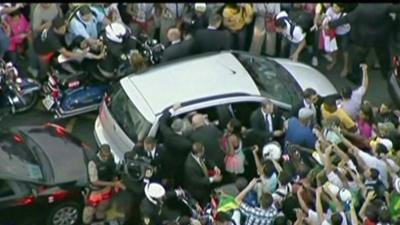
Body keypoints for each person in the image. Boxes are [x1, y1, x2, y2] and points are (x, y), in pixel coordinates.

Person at [326, 3, 400, 83]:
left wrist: (331, 24)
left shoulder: (361, 8)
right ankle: (387, 74)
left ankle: (356, 77)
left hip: (365, 38)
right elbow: (397, 8)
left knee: (359, 57)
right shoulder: (385, 6)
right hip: (380, 37)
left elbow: (347, 18)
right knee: (383, 55)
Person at [82, 144, 125, 225]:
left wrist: (115, 180)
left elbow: (113, 172)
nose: (105, 158)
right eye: (104, 156)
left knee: (103, 207)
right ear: (100, 152)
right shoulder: (93, 162)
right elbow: (94, 181)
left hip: (106, 188)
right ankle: (86, 222)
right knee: (89, 210)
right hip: (95, 190)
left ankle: (100, 220)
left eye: (107, 156)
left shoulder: (111, 158)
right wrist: (113, 184)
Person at [158, 104, 193, 187]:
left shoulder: (167, 135)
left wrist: (172, 109)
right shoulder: (187, 143)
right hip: (179, 166)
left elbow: (161, 121)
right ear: (182, 128)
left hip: (167, 162)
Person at [183, 142, 222, 207]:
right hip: (199, 190)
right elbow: (197, 181)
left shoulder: (199, 155)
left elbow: (207, 159)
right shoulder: (190, 166)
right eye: (203, 152)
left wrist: (215, 167)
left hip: (206, 184)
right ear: (198, 153)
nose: (204, 153)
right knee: (206, 203)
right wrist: (213, 179)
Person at [324, 3, 351, 77]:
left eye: (336, 7)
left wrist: (331, 23)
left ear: (341, 8)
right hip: (334, 33)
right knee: (334, 48)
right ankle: (334, 60)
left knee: (345, 50)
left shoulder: (345, 15)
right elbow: (327, 17)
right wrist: (326, 19)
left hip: (344, 33)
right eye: (333, 6)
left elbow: (343, 24)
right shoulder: (330, 10)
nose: (334, 9)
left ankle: (346, 67)